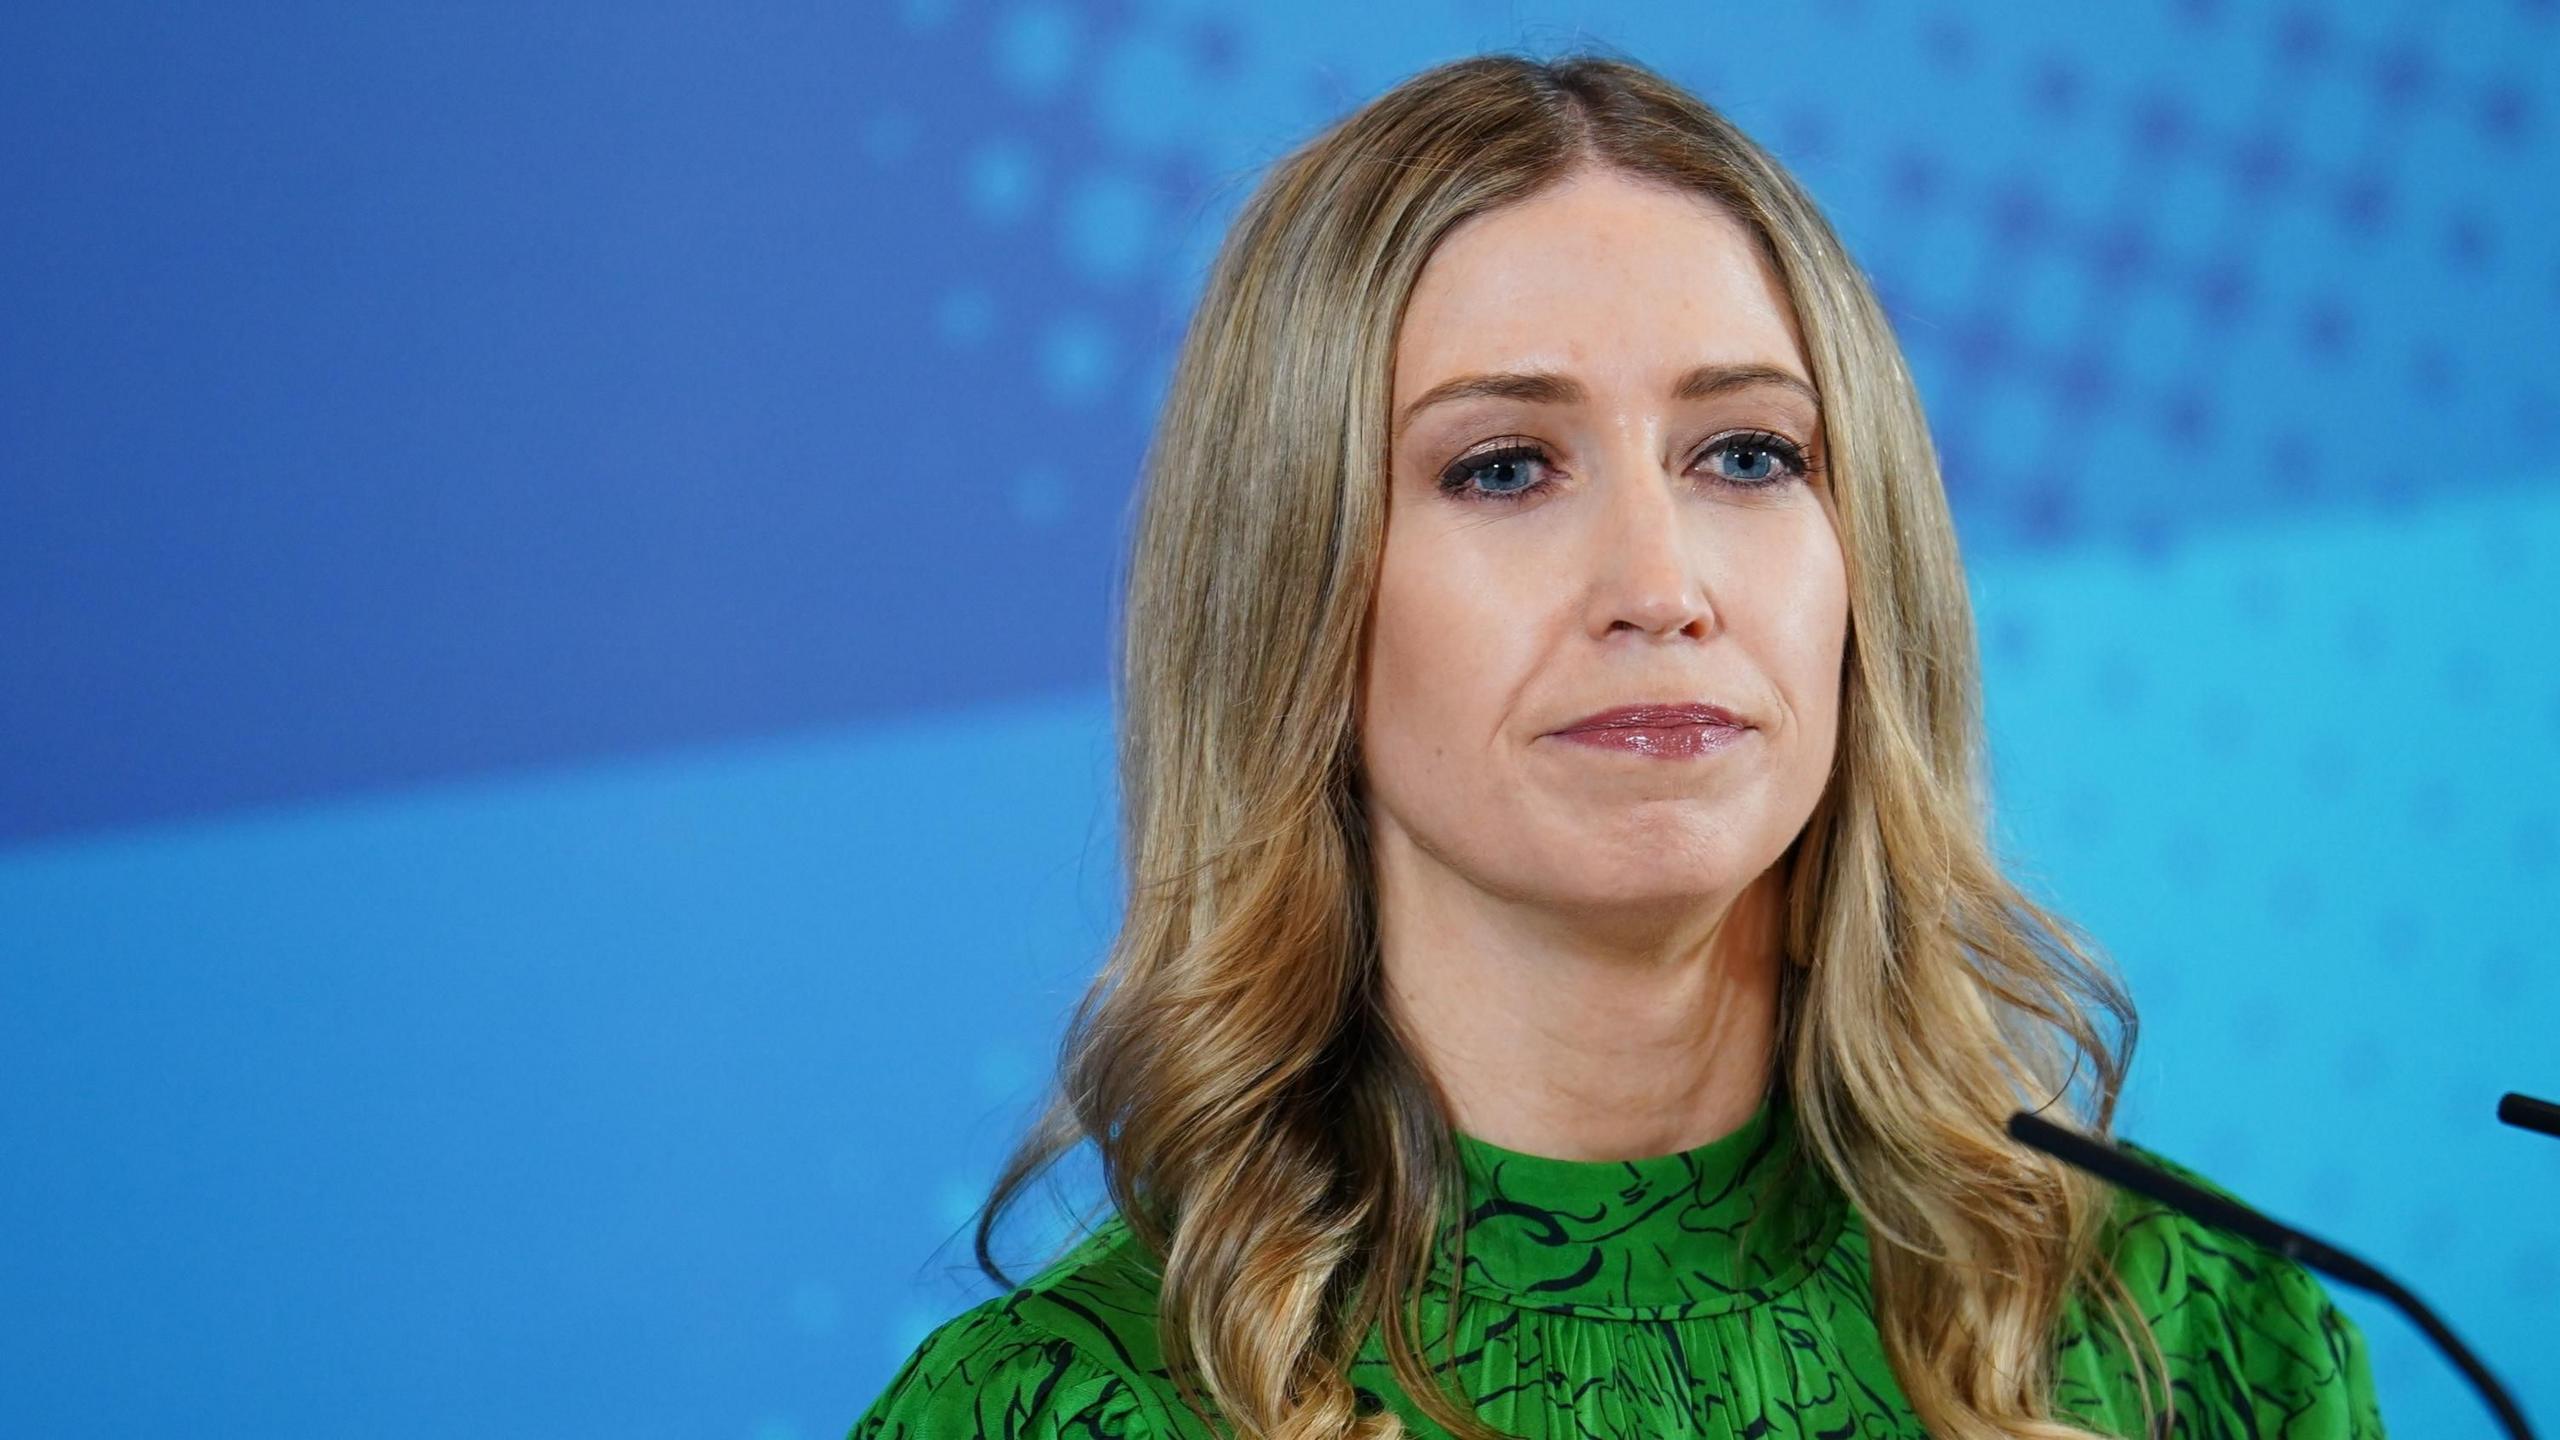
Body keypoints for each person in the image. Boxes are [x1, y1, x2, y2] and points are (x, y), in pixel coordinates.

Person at [849, 51, 2384, 1440]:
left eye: (1748, 455)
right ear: (1291, 593)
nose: (1661, 588)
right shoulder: (1064, 1413)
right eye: (1505, 466)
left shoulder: (2205, 1340)